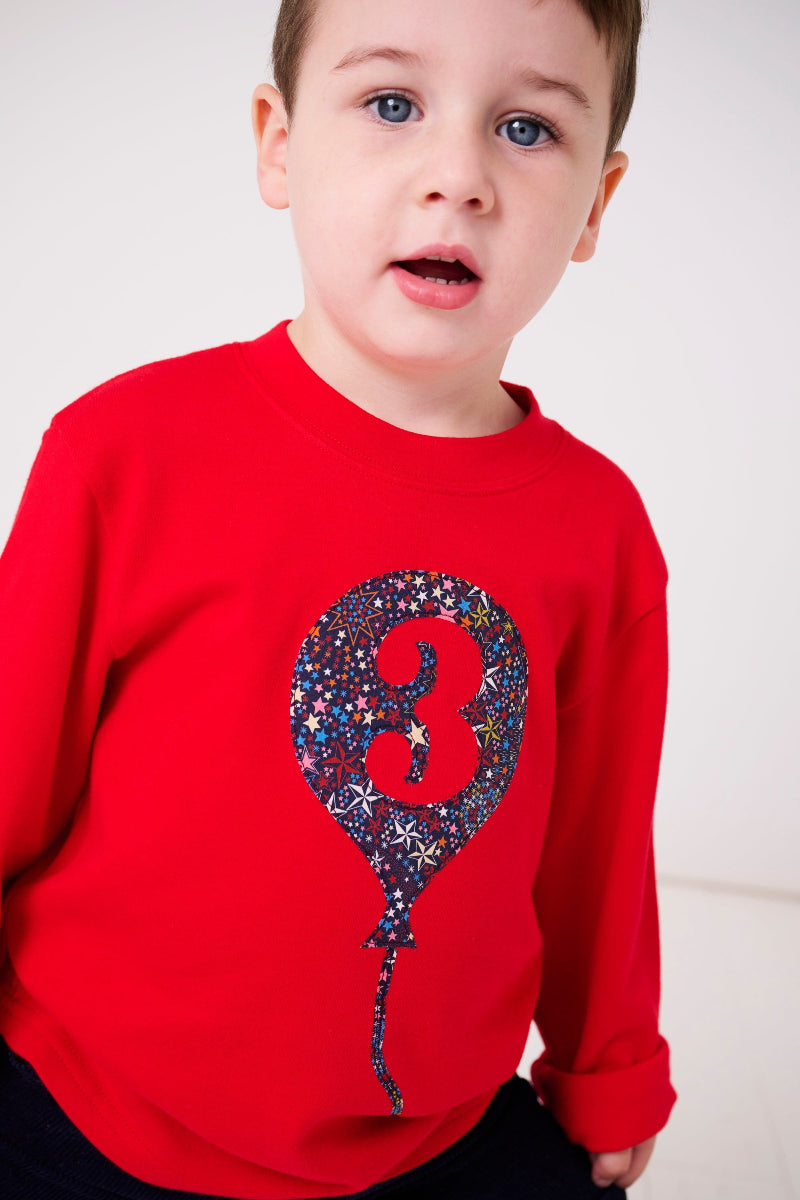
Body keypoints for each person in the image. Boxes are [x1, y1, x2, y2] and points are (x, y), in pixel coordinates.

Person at [0, 0, 677, 1196]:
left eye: (525, 127)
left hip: (435, 1129)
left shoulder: (598, 527)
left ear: (597, 208)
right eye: (391, 105)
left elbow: (597, 846)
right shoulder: (125, 450)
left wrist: (607, 1064)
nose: (456, 177)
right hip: (80, 1098)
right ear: (276, 141)